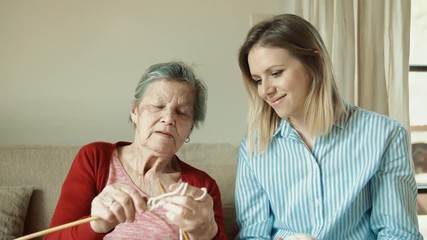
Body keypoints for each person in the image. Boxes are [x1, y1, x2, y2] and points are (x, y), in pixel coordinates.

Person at [234, 14, 422, 239]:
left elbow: (398, 234)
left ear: (316, 63)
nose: (265, 90)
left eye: (275, 73)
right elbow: (252, 235)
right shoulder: (254, 148)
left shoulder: (384, 136)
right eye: (258, 80)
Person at [45, 61, 226, 240]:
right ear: (135, 111)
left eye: (182, 112)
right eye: (158, 106)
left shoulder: (203, 187)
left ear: (191, 127)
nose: (169, 118)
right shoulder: (95, 159)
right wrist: (96, 226)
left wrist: (208, 232)